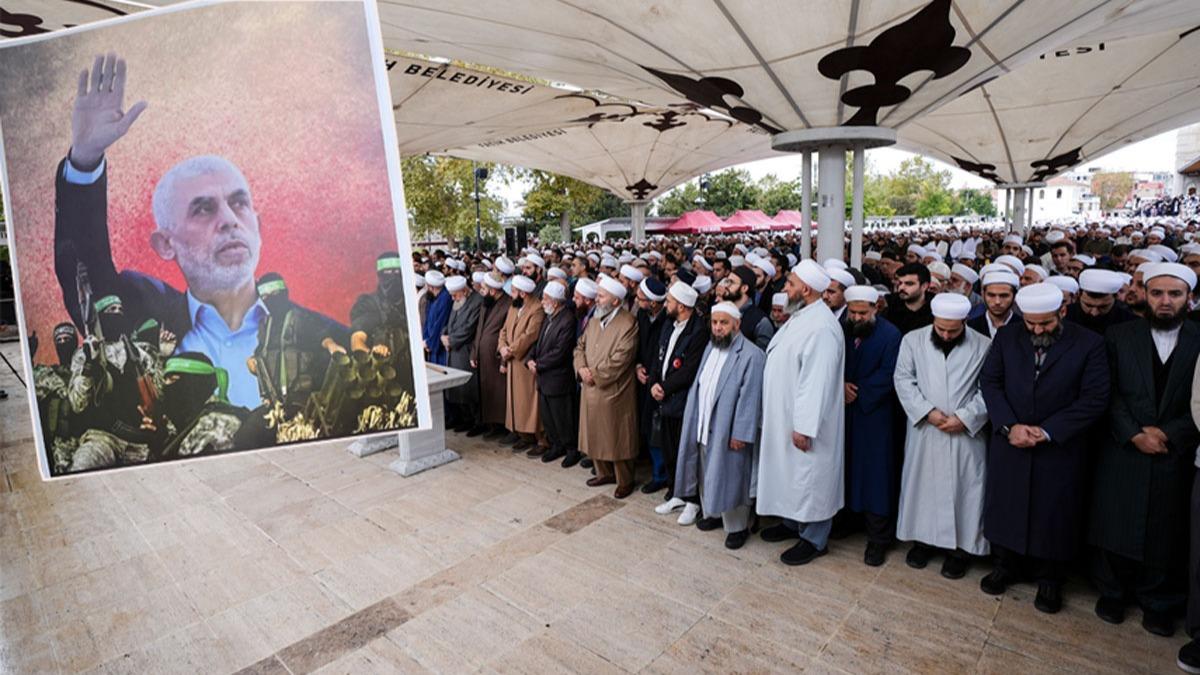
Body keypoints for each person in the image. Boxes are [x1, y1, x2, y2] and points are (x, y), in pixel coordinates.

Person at [52, 54, 329, 410]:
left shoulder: (326, 336)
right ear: (165, 244)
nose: (229, 220)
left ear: (258, 228)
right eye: (203, 208)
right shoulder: (139, 312)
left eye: (239, 203)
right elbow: (82, 261)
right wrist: (85, 159)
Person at [978, 283, 1109, 613]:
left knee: (1054, 513)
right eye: (1031, 323)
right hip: (1011, 440)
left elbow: (1094, 398)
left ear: (1062, 312)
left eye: (1045, 324)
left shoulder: (1090, 344)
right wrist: (1009, 426)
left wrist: (1048, 431)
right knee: (1006, 505)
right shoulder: (1008, 337)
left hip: (1059, 446)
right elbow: (990, 383)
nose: (1037, 329)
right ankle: (1005, 566)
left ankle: (1050, 580)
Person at [1089, 263, 1200, 637]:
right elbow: (1108, 392)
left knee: (1166, 528)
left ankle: (1159, 602)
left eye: (1174, 294)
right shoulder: (1119, 336)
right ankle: (1112, 593)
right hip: (1124, 447)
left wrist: (1169, 433)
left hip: (1174, 450)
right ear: (1145, 295)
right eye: (1157, 293)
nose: (1165, 302)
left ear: (1190, 298)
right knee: (1116, 520)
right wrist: (1134, 433)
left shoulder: (1199, 340)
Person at [893, 293, 991, 579]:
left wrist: (966, 417)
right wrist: (927, 412)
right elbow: (903, 379)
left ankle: (960, 551)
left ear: (964, 323)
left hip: (965, 432)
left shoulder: (984, 345)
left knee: (966, 490)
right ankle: (923, 542)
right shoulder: (912, 340)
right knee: (923, 488)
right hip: (926, 428)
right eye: (941, 329)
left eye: (953, 330)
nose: (947, 335)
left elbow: (989, 388)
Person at [757, 260, 845, 566]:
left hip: (805, 423)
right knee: (792, 476)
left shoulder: (821, 326)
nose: (785, 287)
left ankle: (815, 538)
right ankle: (793, 522)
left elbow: (816, 382)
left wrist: (804, 426)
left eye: (790, 283)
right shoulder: (803, 315)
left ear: (805, 290)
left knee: (810, 478)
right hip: (786, 415)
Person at [673, 302, 765, 549]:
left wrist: (741, 433)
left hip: (729, 429)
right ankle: (714, 512)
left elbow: (751, 399)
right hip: (704, 423)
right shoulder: (710, 348)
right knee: (707, 471)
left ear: (737, 323)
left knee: (733, 476)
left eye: (724, 323)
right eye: (715, 323)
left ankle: (738, 527)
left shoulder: (752, 355)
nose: (718, 328)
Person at [841, 285, 903, 566]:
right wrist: (839, 387)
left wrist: (860, 392)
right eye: (852, 312)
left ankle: (879, 538)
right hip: (845, 411)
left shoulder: (891, 335)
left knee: (876, 474)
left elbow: (891, 373)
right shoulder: (842, 329)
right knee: (849, 467)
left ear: (876, 308)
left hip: (876, 414)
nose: (856, 318)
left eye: (862, 313)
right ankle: (850, 520)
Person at [66, 294, 164, 472]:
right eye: (111, 310)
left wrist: (163, 356)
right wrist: (90, 365)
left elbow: (159, 394)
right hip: (101, 438)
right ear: (100, 317)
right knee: (81, 468)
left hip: (139, 442)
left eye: (120, 310)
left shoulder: (140, 353)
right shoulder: (83, 354)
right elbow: (77, 403)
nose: (117, 313)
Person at [574, 275, 640, 498]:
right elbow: (579, 348)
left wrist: (596, 375)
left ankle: (624, 480)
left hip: (614, 390)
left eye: (601, 296)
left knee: (618, 437)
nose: (597, 300)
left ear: (615, 301)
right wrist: (581, 368)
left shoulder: (628, 323)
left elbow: (621, 359)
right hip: (590, 386)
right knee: (595, 434)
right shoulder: (593, 321)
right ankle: (603, 473)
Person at [648, 282, 708, 517]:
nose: (666, 305)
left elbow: (689, 370)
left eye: (669, 302)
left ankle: (691, 499)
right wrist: (654, 382)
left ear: (682, 306)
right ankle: (676, 493)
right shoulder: (669, 323)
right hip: (664, 399)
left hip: (682, 402)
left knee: (687, 453)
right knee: (670, 450)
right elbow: (658, 356)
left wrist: (663, 386)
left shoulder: (698, 331)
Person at [143, 351, 247, 459]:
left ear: (195, 384)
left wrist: (162, 451)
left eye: (173, 380)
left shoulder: (216, 424)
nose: (166, 387)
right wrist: (161, 439)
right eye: (166, 380)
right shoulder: (192, 418)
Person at [526, 281, 577, 465]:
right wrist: (531, 359)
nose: (542, 302)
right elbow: (539, 342)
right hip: (544, 378)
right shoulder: (550, 317)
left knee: (563, 417)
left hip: (558, 379)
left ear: (555, 302)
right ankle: (556, 446)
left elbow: (560, 352)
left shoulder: (568, 320)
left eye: (545, 299)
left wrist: (538, 365)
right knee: (549, 417)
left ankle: (571, 449)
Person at [498, 275, 546, 453]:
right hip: (512, 362)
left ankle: (539, 439)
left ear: (523, 293)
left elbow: (530, 335)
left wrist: (510, 350)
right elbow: (503, 330)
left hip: (523, 362)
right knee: (517, 402)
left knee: (529, 403)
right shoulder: (514, 306)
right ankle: (524, 436)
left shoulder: (537, 309)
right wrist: (502, 347)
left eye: (513, 292)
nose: (511, 295)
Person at [33, 323, 81, 474]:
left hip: (89, 438)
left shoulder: (86, 371)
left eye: (67, 339)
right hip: (62, 445)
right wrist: (29, 357)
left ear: (75, 342)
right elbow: (29, 383)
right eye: (59, 340)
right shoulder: (49, 374)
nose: (63, 343)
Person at [468, 272, 511, 438]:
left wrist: (504, 361)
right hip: (482, 356)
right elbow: (479, 329)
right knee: (486, 392)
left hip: (496, 358)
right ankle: (490, 425)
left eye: (484, 289)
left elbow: (506, 334)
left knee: (499, 393)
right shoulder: (486, 302)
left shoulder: (508, 304)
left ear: (493, 291)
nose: (481, 291)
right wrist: (474, 352)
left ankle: (500, 427)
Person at [635, 278, 668, 488]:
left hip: (659, 383)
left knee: (658, 430)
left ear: (653, 303)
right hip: (642, 378)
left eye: (640, 298)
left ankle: (660, 476)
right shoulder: (642, 315)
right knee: (646, 426)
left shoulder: (667, 320)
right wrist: (637, 365)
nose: (637, 301)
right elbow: (639, 344)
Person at [441, 275, 484, 432]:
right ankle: (465, 419)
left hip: (466, 350)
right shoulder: (458, 300)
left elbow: (469, 328)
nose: (453, 298)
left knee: (469, 389)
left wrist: (451, 340)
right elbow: (449, 321)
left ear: (465, 291)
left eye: (455, 295)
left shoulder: (477, 301)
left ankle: (477, 422)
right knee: (458, 389)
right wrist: (443, 335)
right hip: (454, 350)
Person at [1068, 268, 1136, 335]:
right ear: (1079, 295)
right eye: (1088, 305)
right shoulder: (1065, 316)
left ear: (1116, 297)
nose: (1094, 313)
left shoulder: (1130, 323)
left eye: (1103, 307)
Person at [719, 267, 773, 350]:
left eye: (731, 283)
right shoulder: (721, 311)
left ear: (744, 288)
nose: (726, 286)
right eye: (727, 282)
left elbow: (758, 357)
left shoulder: (760, 322)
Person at [967, 269, 1019, 338]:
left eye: (1004, 296)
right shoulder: (970, 327)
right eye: (991, 295)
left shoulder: (1024, 328)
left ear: (1014, 296)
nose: (997, 302)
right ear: (983, 295)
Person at [885, 263, 933, 335]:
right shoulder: (889, 304)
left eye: (909, 284)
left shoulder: (935, 309)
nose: (901, 288)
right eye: (900, 283)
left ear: (924, 286)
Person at [421, 271, 451, 365]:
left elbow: (440, 324)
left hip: (438, 345)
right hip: (430, 342)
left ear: (431, 287)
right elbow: (427, 320)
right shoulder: (432, 297)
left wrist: (430, 343)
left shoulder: (445, 298)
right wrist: (425, 340)